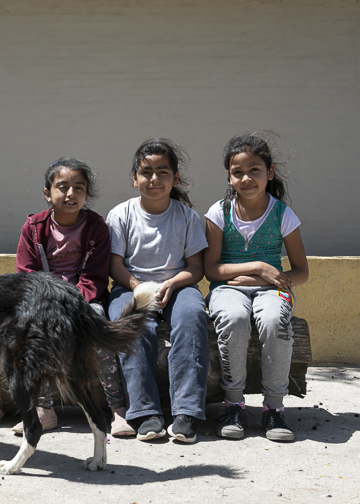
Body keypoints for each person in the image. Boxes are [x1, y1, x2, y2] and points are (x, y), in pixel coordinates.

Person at [203, 132, 309, 442]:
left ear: (270, 172)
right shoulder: (218, 213)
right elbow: (212, 271)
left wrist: (261, 278)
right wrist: (258, 267)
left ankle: (274, 409)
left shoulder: (282, 216)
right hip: (227, 289)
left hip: (270, 289)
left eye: (254, 170)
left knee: (275, 320)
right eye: (238, 172)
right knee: (234, 319)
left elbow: (301, 272)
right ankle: (233, 405)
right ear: (229, 176)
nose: (246, 178)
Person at [13, 158, 129, 437]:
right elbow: (27, 274)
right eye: (62, 187)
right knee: (31, 335)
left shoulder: (96, 228)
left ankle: (118, 409)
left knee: (98, 330)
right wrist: (51, 303)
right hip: (43, 300)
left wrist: (73, 302)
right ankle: (43, 410)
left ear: (87, 194)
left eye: (79, 188)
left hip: (84, 300)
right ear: (47, 192)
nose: (70, 194)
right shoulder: (33, 228)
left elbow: (96, 277)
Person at [106, 138, 210, 444]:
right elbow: (114, 265)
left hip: (177, 286)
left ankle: (186, 412)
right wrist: (140, 288)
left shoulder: (187, 217)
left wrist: (172, 283)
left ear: (175, 178)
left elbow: (196, 268)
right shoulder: (120, 215)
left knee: (192, 316)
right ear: (134, 178)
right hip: (131, 286)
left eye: (163, 172)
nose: (154, 179)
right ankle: (145, 412)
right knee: (132, 324)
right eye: (146, 172)